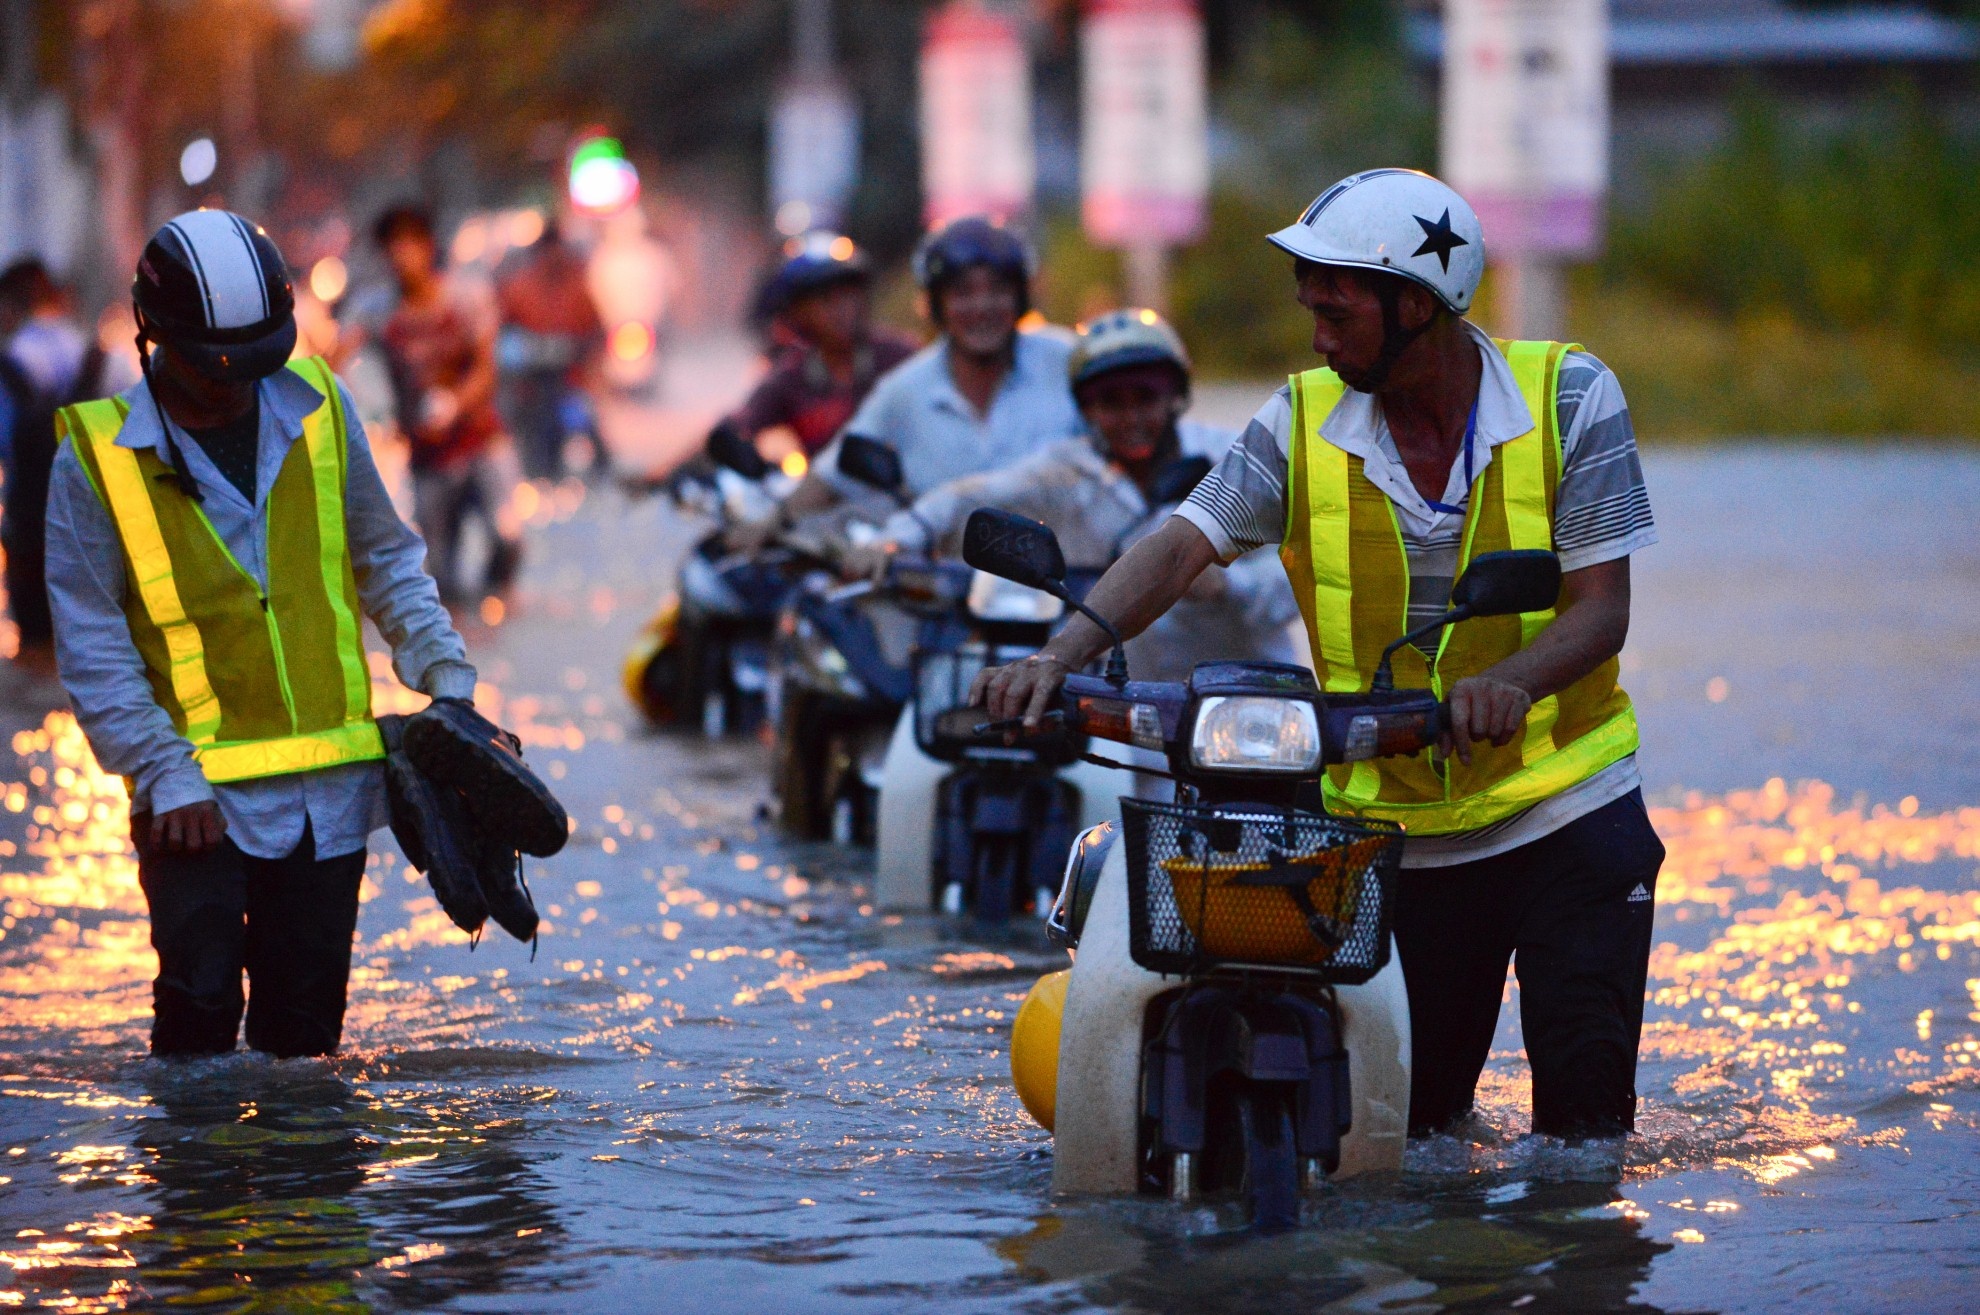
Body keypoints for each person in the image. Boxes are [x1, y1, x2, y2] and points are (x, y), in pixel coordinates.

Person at [978, 169, 1665, 1144]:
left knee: (1585, 1140)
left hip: (1571, 812)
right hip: (1393, 830)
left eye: (1337, 313)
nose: (1317, 336)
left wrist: (1504, 686)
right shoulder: (1300, 420)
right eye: (1312, 311)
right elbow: (1183, 543)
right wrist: (1063, 650)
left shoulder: (1570, 398)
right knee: (1410, 1138)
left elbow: (1602, 611)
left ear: (1415, 305)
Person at [44, 210, 479, 1058]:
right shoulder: (94, 459)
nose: (238, 386)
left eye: (255, 363)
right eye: (216, 372)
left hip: (329, 799)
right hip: (189, 803)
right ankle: (198, 1188)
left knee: (305, 1039)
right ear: (155, 338)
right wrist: (164, 772)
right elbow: (92, 640)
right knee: (198, 1019)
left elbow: (385, 559)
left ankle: (306, 1193)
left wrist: (452, 690)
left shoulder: (320, 405)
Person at [843, 308, 1301, 682]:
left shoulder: (1233, 458)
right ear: (1086, 411)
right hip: (1132, 711)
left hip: (1249, 700)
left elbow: (1306, 572)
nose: (1130, 417)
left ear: (1176, 397)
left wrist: (1229, 586)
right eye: (1110, 404)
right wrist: (895, 539)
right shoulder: (1067, 469)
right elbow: (972, 494)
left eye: (1145, 398)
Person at [746, 216, 1082, 541]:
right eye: (963, 294)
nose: (982, 307)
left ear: (1020, 297)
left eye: (997, 290)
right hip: (944, 586)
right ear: (937, 305)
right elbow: (834, 473)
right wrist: (767, 524)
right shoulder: (905, 388)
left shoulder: (1069, 361)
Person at [367, 205, 524, 603]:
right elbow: (338, 357)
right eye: (393, 247)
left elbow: (487, 370)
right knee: (439, 572)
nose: (402, 256)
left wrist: (454, 404)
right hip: (427, 457)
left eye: (410, 244)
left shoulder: (466, 297)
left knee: (508, 537)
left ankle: (498, 606)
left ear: (428, 246)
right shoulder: (376, 312)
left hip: (481, 442)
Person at [716, 232, 916, 462]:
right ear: (798, 311)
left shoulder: (900, 359)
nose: (844, 309)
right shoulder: (791, 376)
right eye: (827, 299)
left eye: (851, 293)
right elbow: (740, 427)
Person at [0, 260, 105, 668]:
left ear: (11, 305)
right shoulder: (102, 357)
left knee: (35, 658)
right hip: (98, 527)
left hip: (30, 532)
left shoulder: (12, 362)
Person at [494, 219, 607, 479]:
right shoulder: (520, 287)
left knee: (585, 420)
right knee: (531, 429)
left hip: (570, 377)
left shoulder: (576, 285)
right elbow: (503, 331)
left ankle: (601, 471)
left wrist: (586, 359)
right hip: (532, 380)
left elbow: (596, 329)